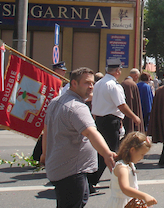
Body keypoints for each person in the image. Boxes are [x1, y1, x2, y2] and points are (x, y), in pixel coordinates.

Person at [41, 67, 117, 208]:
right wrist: (107, 154)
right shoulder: (76, 107)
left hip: (60, 167)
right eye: (86, 83)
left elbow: (46, 132)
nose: (91, 87)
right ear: (74, 84)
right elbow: (90, 132)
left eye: (92, 83)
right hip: (71, 170)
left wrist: (45, 154)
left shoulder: (55, 102)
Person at [88, 59, 141, 192]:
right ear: (117, 71)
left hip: (100, 120)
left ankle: (99, 179)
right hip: (110, 121)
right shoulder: (113, 85)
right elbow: (121, 105)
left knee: (102, 151)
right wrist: (134, 116)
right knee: (110, 152)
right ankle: (95, 181)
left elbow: (95, 104)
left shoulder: (99, 83)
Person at [103, 132, 157, 208]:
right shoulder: (122, 168)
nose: (142, 158)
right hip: (120, 204)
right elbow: (125, 188)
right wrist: (144, 196)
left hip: (128, 202)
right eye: (142, 154)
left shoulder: (129, 164)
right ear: (132, 150)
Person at [121, 68, 145, 134]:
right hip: (132, 111)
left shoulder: (123, 82)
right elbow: (136, 103)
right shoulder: (132, 84)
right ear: (136, 75)